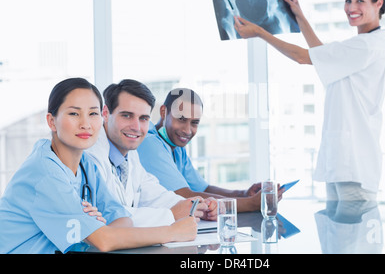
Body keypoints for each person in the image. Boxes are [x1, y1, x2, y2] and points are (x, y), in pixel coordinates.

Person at [234, 0, 385, 201]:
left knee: (348, 234)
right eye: (347, 1)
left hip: (354, 165)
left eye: (360, 1)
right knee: (338, 233)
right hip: (345, 162)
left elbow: (303, 57)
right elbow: (320, 55)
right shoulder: (363, 46)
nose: (351, 7)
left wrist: (260, 32)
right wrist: (300, 16)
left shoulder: (365, 46)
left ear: (379, 4)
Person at [0, 78, 197, 254]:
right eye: (74, 114)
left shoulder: (85, 165)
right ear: (52, 121)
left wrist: (97, 229)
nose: (86, 124)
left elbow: (123, 220)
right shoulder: (45, 173)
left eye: (93, 114)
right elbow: (103, 241)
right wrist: (172, 232)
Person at [85, 79, 217, 227]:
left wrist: (193, 207)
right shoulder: (89, 155)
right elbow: (108, 215)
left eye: (143, 118)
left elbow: (153, 194)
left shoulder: (130, 155)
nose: (136, 127)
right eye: (127, 115)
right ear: (106, 113)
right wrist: (171, 215)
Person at [138, 88, 282, 212]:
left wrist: (244, 194)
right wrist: (252, 204)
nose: (187, 130)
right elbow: (185, 196)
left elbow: (204, 188)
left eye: (194, 123)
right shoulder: (149, 143)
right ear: (164, 112)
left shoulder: (176, 147)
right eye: (181, 119)